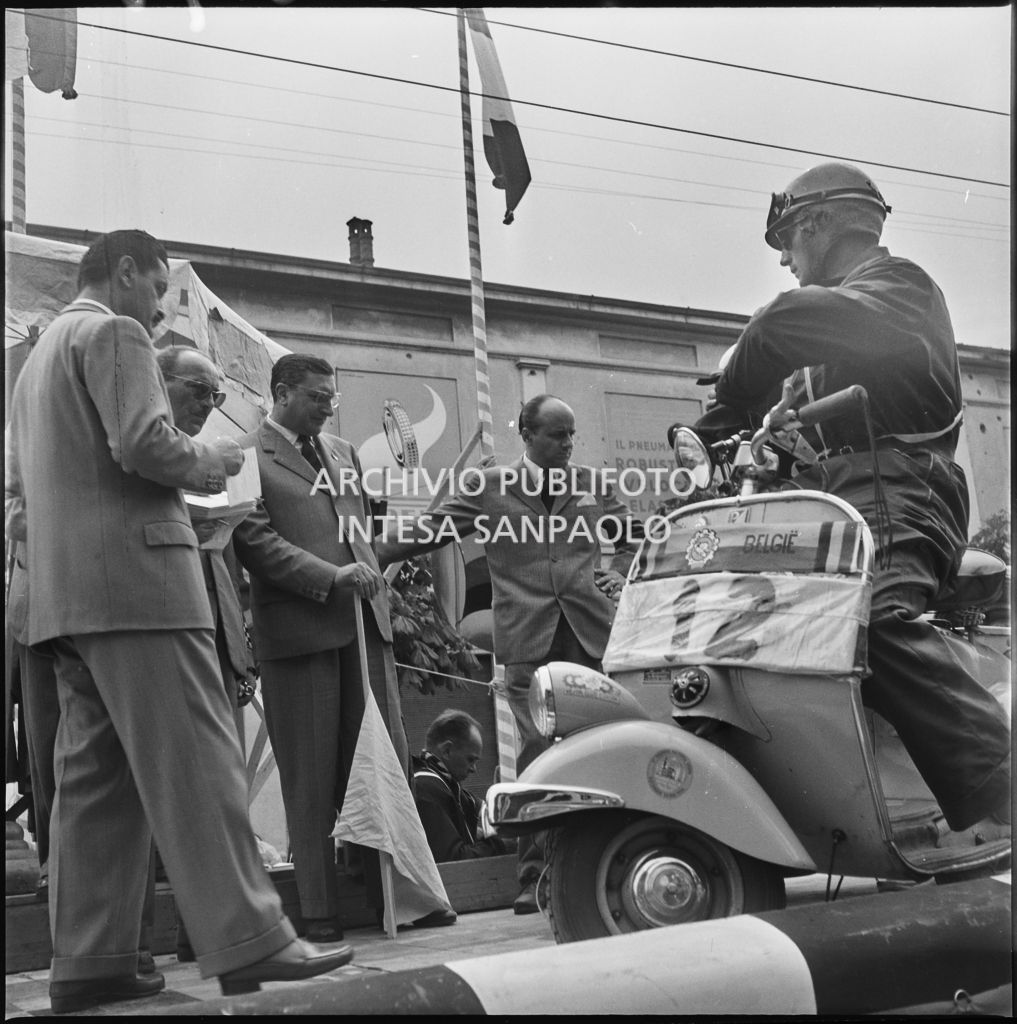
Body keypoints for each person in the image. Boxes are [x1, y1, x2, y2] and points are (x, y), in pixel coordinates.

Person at [6, 230, 352, 1015]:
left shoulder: (37, 363)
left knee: (97, 785)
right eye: (157, 287)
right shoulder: (115, 333)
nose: (160, 307)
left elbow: (27, 489)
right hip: (140, 585)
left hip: (68, 601)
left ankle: (90, 961)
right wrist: (216, 462)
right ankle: (254, 941)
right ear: (125, 270)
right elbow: (143, 445)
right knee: (199, 763)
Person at [695, 162, 1010, 836]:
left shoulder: (897, 287)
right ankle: (889, 815)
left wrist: (729, 400)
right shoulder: (835, 332)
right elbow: (780, 386)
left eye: (787, 238)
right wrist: (738, 434)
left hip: (902, 487)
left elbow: (780, 324)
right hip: (840, 501)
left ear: (818, 224)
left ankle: (1007, 788)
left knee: (871, 621)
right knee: (778, 631)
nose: (784, 256)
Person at [377, 394, 642, 913]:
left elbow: (630, 533)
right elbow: (435, 529)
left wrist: (621, 567)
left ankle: (607, 860)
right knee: (537, 755)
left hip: (590, 634)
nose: (567, 445)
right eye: (556, 435)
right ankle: (535, 877)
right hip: (527, 640)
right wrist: (374, 546)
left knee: (603, 748)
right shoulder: (488, 486)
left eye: (571, 435)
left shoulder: (592, 483)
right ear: (526, 433)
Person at [232, 352, 410, 943]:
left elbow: (359, 533)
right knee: (310, 777)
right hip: (301, 632)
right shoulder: (246, 456)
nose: (328, 407)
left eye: (332, 397)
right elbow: (255, 541)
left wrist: (375, 568)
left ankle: (389, 896)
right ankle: (318, 908)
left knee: (380, 766)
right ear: (281, 393)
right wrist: (330, 577)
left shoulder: (342, 452)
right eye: (316, 397)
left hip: (364, 630)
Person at [412, 710, 512, 862]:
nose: (474, 769)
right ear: (447, 751)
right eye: (470, 760)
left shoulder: (443, 784)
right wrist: (501, 845)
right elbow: (454, 860)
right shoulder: (427, 788)